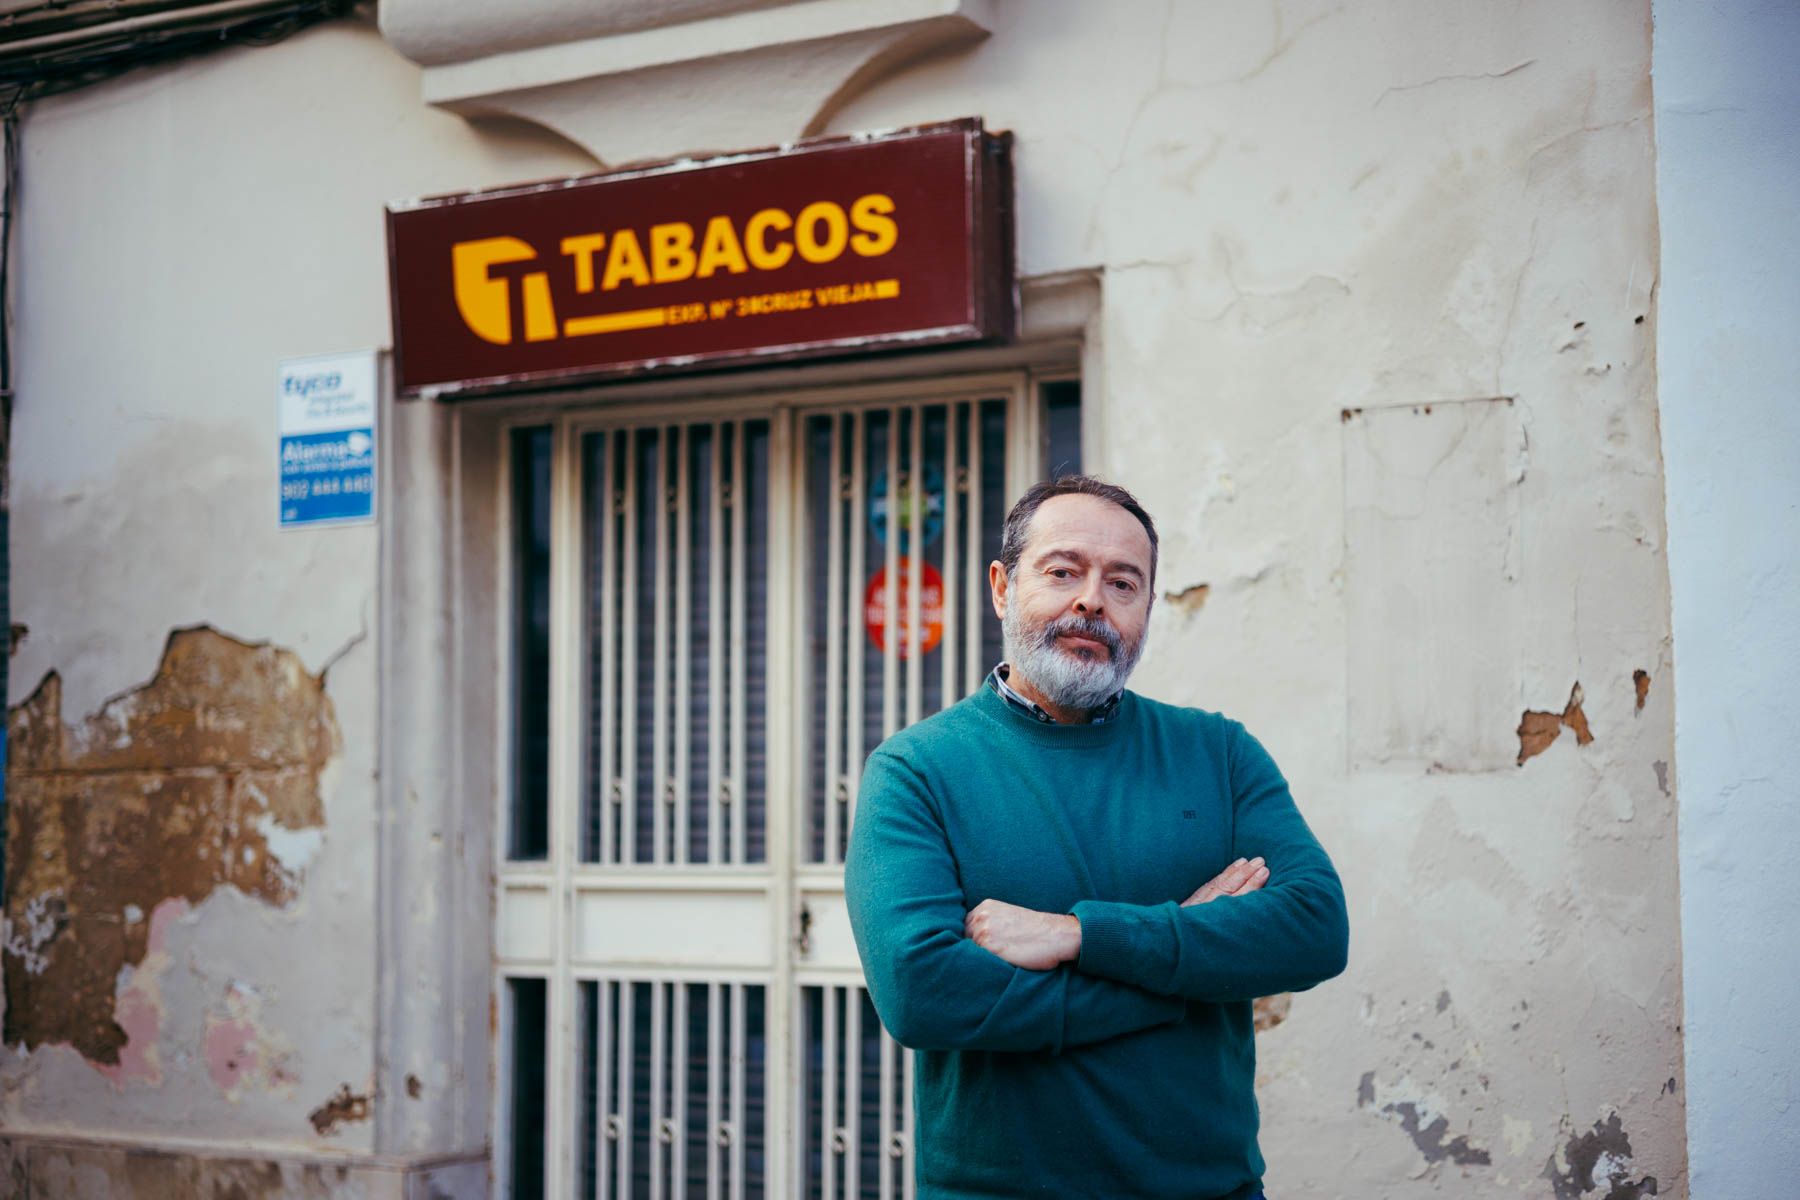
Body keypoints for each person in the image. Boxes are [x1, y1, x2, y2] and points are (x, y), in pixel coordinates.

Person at [844, 474, 1350, 1200]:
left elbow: (1314, 927)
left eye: (1123, 583)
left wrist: (1080, 937)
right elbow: (925, 994)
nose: (1091, 601)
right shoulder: (917, 771)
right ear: (1001, 587)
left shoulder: (1219, 753)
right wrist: (1184, 970)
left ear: (1147, 608)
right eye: (1063, 571)